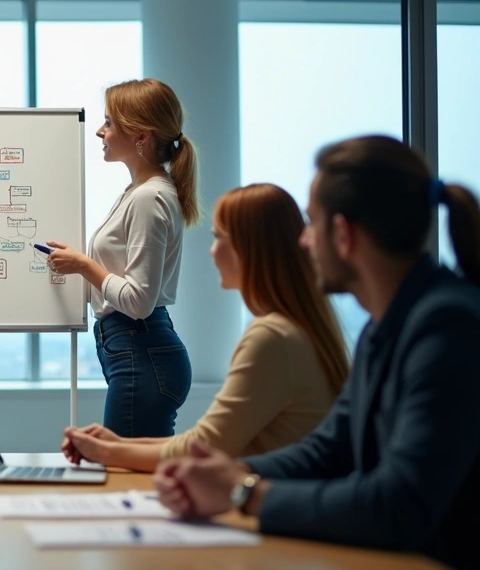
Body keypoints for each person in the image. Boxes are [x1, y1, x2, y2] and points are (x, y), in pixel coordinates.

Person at [152, 135, 480, 567]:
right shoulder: (386, 327)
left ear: (343, 234)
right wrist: (228, 475)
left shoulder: (447, 326)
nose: (304, 242)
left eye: (311, 223)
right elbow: (327, 451)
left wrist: (244, 493)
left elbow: (400, 503)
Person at [60, 183, 350, 472]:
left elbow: (205, 447)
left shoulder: (272, 337)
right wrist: (116, 445)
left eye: (219, 237)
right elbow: (204, 441)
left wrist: (107, 451)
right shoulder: (291, 331)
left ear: (249, 248)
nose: (212, 251)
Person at [46, 78, 200, 437]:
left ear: (141, 136)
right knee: (129, 465)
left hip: (140, 349)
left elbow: (139, 302)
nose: (100, 132)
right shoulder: (138, 193)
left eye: (109, 123)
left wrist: (83, 265)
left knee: (122, 466)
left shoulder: (149, 198)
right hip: (136, 348)